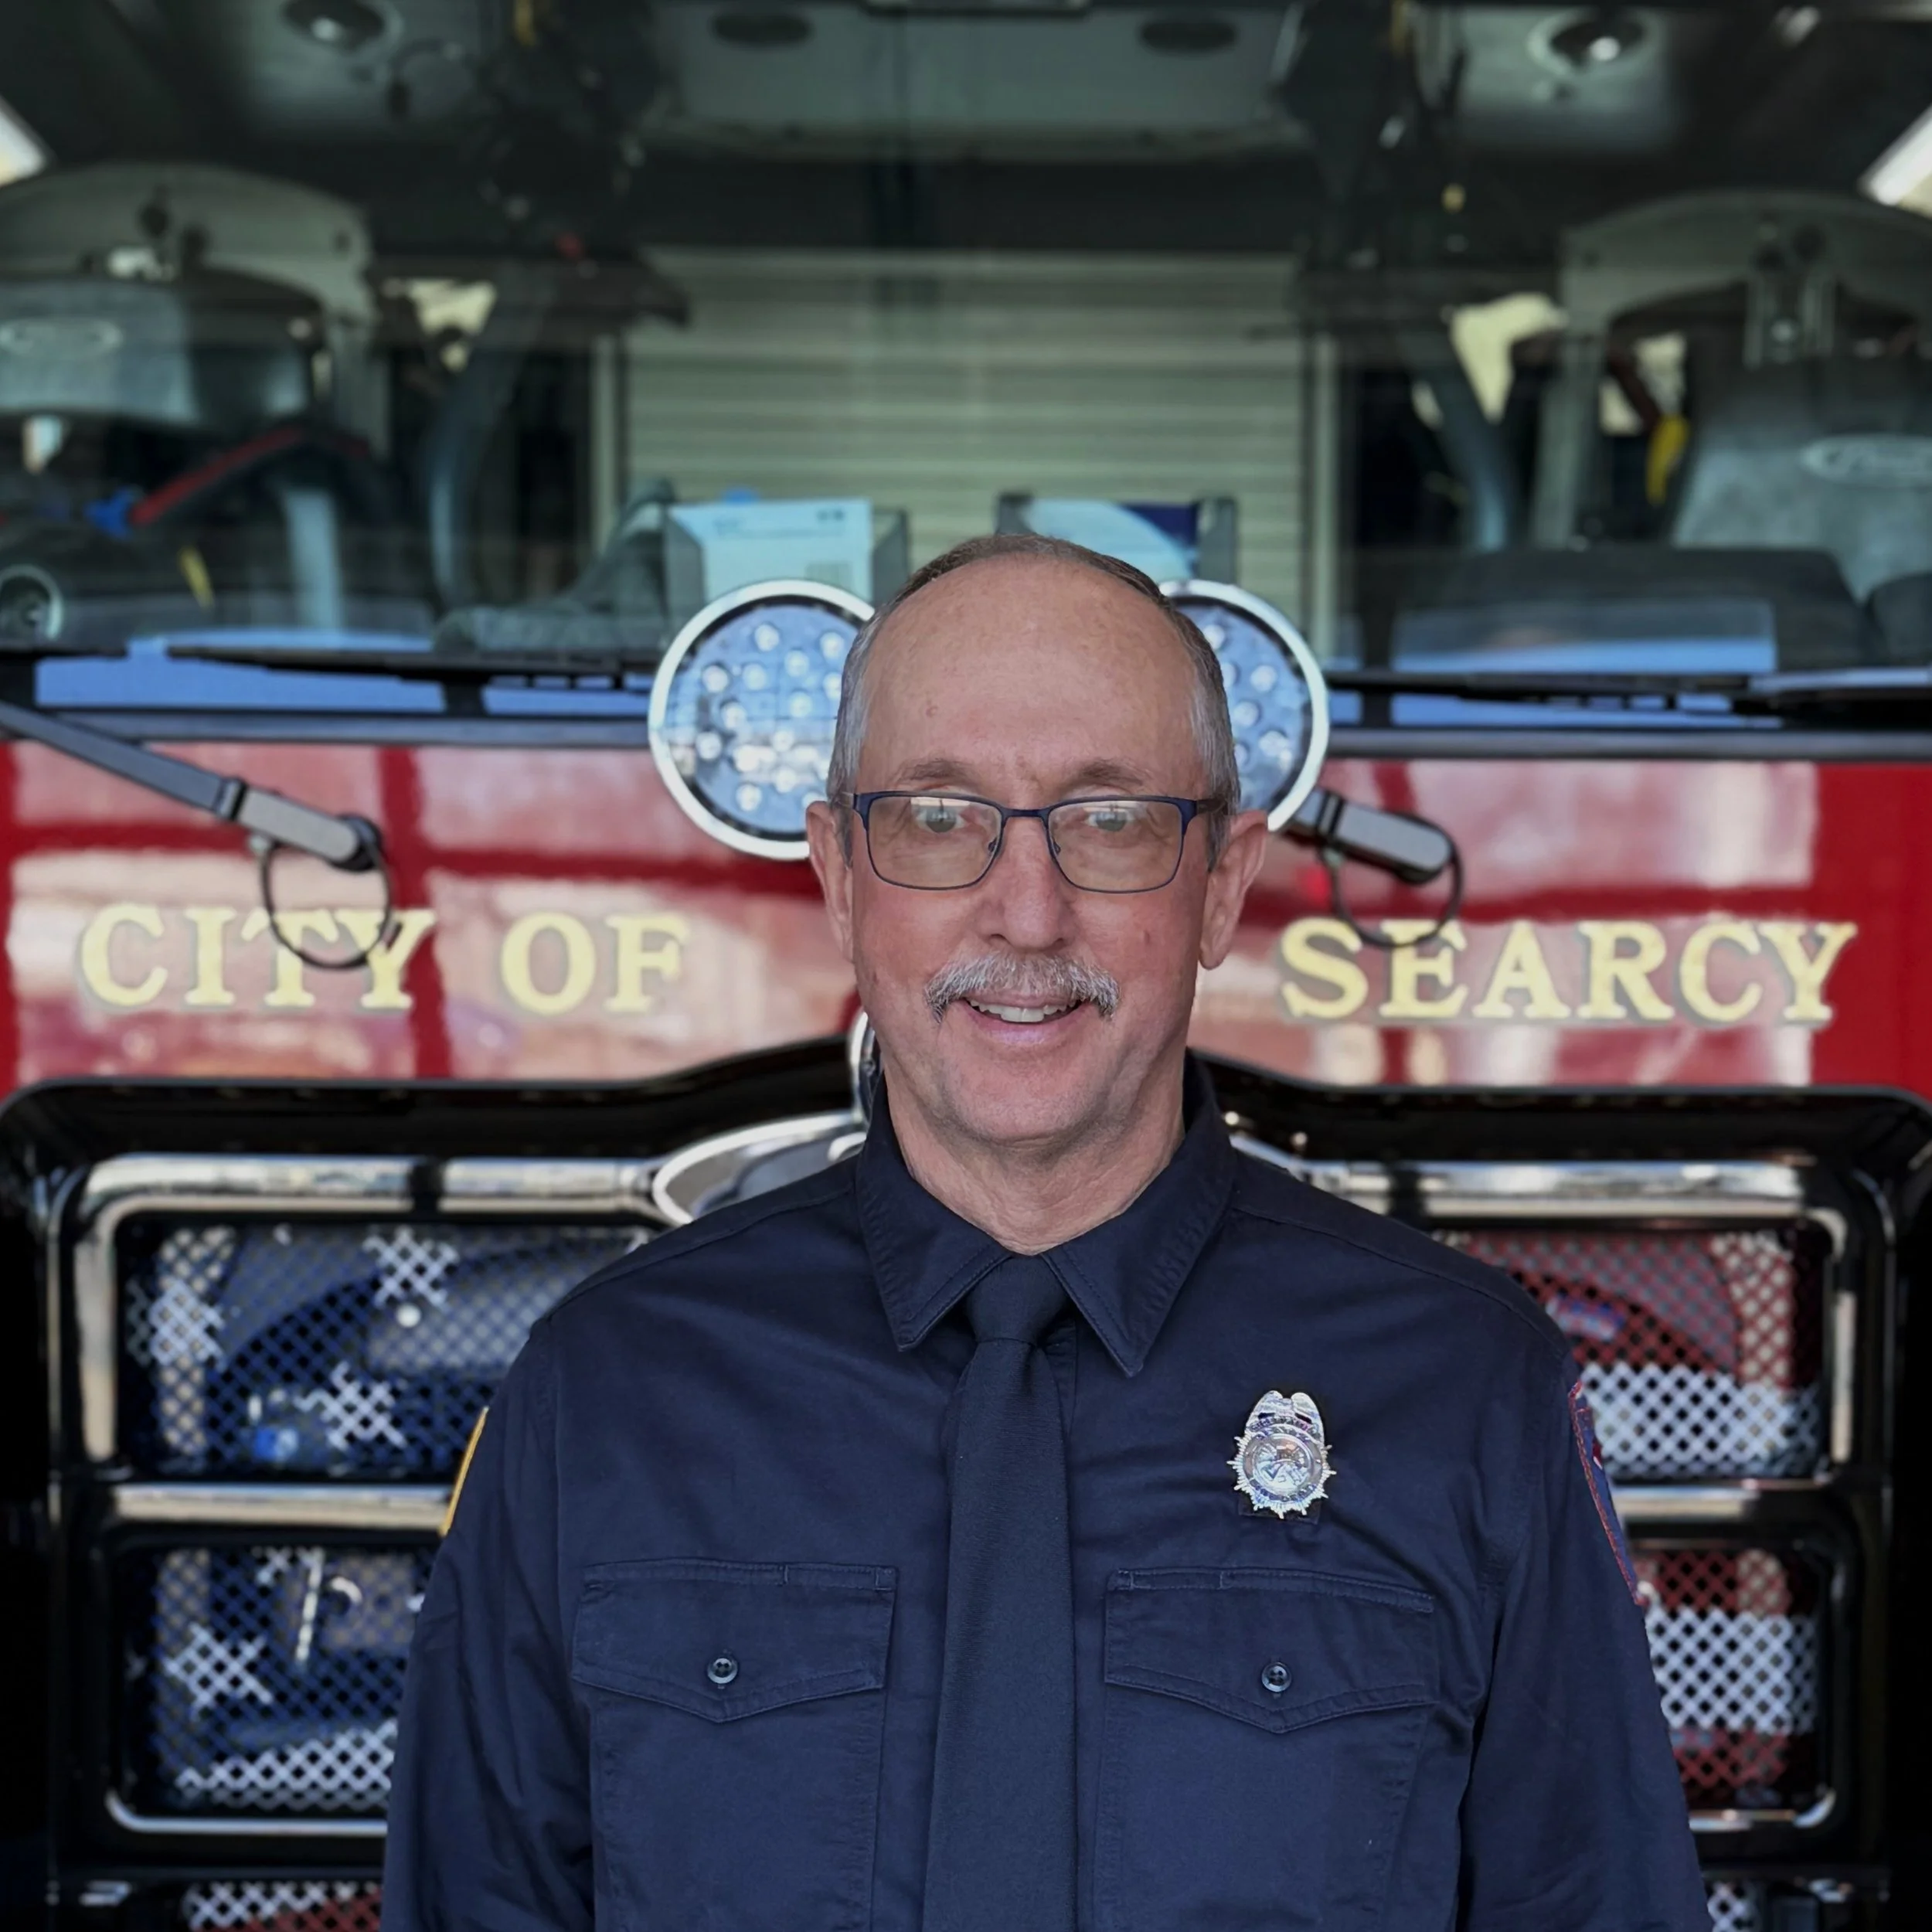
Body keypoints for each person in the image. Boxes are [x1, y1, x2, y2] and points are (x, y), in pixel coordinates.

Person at [383, 532, 1708, 1931]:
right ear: (840, 873)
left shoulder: (1468, 1393)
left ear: (1224, 881)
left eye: (1114, 821)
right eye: (938, 819)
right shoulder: (603, 1396)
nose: (1028, 910)